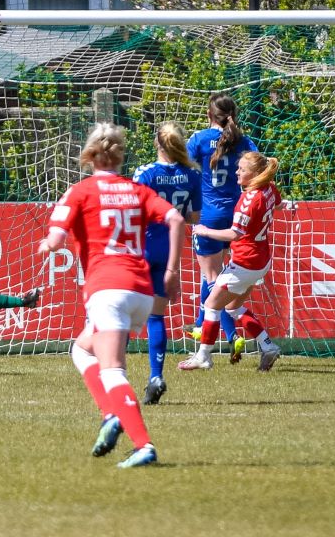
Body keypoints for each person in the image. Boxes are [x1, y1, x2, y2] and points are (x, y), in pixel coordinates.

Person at [38, 122, 186, 469]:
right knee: (81, 349)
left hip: (109, 290)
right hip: (141, 291)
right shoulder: (136, 190)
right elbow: (177, 219)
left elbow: (57, 239)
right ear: (120, 156)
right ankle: (110, 414)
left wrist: (47, 244)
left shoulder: (79, 192)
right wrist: (172, 271)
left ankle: (143, 445)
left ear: (90, 156)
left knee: (113, 370)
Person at [179, 151, 283, 372]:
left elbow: (234, 234)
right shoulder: (270, 189)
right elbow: (278, 204)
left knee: (211, 305)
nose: (237, 172)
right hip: (261, 261)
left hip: (245, 262)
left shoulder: (249, 199)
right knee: (232, 307)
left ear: (254, 173)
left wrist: (206, 231)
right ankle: (267, 346)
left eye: (242, 169)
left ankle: (203, 356)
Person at [184, 93, 257, 364]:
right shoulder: (245, 141)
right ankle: (201, 324)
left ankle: (228, 334)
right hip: (238, 214)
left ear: (208, 115)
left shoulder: (199, 139)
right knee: (218, 278)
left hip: (209, 215)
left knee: (213, 277)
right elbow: (260, 169)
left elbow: (185, 171)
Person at [132, 122, 201, 405]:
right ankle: (155, 376)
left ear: (157, 144)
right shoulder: (192, 175)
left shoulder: (145, 173)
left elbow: (133, 212)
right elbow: (195, 218)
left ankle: (114, 380)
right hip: (170, 249)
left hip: (143, 247)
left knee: (124, 316)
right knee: (156, 317)